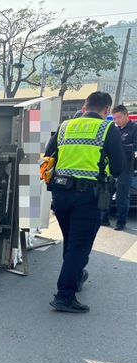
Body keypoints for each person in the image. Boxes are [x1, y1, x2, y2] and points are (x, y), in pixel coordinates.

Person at [44, 91, 125, 313]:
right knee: (79, 246)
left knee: (71, 242)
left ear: (84, 105)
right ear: (107, 109)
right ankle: (64, 295)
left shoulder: (64, 126)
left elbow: (48, 156)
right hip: (88, 197)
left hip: (60, 194)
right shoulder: (107, 128)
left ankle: (76, 276)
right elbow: (118, 168)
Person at [101, 105, 137, 230]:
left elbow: (135, 146)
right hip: (110, 168)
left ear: (126, 115)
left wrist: (120, 147)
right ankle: (104, 219)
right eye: (114, 118)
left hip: (126, 168)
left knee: (122, 196)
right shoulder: (114, 129)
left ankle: (121, 222)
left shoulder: (134, 128)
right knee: (106, 193)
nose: (116, 121)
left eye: (119, 117)